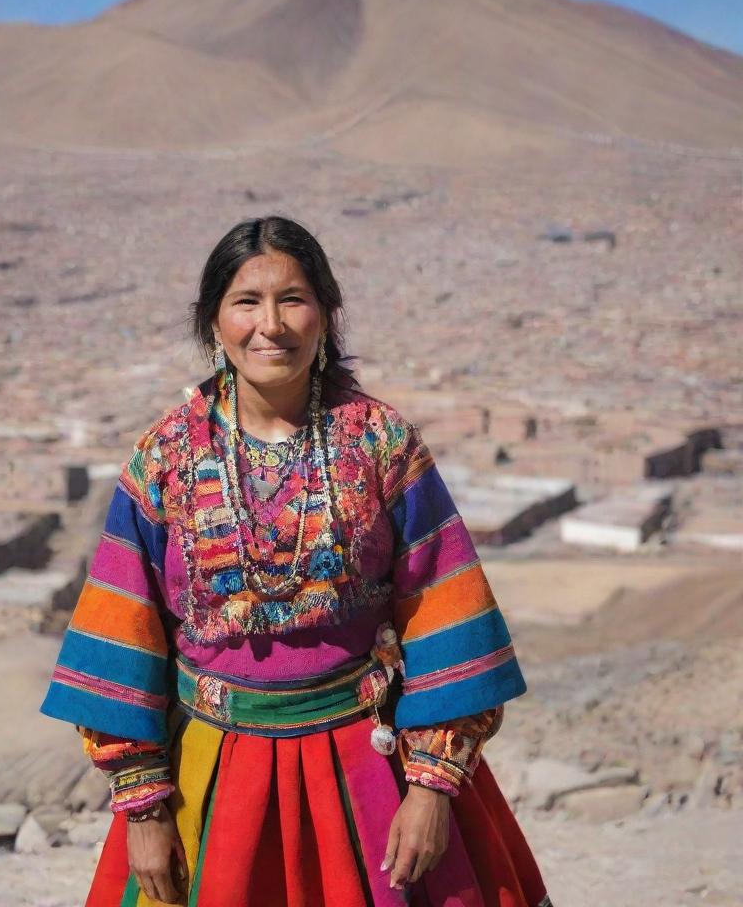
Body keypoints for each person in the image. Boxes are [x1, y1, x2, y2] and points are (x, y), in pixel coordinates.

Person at [41, 217, 552, 907]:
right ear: (213, 322)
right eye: (246, 301)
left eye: (293, 299)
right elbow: (123, 634)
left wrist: (432, 788)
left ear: (326, 313)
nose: (271, 325)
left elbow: (445, 612)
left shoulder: (382, 444)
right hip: (212, 775)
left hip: (368, 772)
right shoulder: (165, 456)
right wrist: (143, 807)